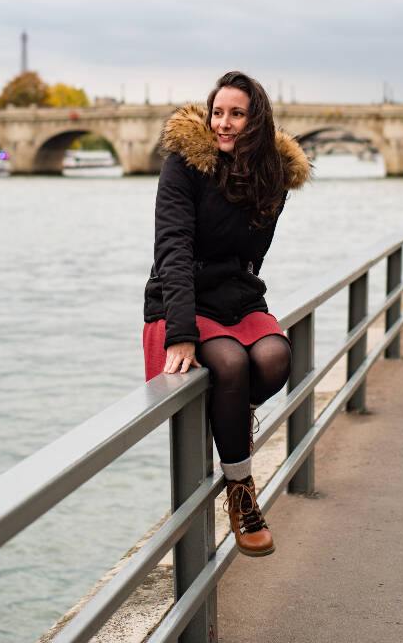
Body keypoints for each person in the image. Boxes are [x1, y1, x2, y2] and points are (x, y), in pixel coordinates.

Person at [143, 71, 310, 556]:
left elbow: (252, 256)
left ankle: (232, 410)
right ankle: (241, 491)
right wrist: (180, 333)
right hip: (182, 298)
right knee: (233, 365)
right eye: (218, 112)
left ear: (255, 120)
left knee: (276, 359)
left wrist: (252, 185)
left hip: (235, 296)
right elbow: (171, 248)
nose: (224, 123)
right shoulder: (183, 165)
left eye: (236, 114)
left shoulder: (271, 177)